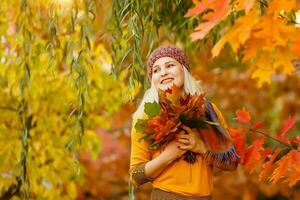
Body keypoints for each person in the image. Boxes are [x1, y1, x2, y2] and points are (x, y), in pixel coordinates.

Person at [129, 45, 239, 200]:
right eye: (156, 70)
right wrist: (168, 155)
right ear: (152, 79)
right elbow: (135, 176)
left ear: (184, 70)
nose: (164, 72)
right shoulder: (146, 116)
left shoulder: (207, 111)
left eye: (170, 65)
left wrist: (201, 147)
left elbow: (231, 163)